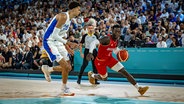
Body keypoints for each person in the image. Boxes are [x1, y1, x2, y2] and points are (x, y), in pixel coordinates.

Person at [86, 25, 149, 95]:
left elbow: (114, 49)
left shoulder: (116, 40)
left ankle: (139, 88)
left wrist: (120, 52)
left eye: (119, 32)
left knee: (124, 72)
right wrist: (90, 52)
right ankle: (92, 75)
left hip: (109, 59)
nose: (117, 33)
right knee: (104, 78)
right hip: (100, 61)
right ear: (112, 31)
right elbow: (94, 42)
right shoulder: (107, 39)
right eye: (116, 31)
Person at [41, 1, 81, 96]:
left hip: (58, 42)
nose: (79, 11)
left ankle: (48, 69)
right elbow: (54, 35)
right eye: (78, 9)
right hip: (50, 41)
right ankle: (64, 88)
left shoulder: (70, 20)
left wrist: (67, 47)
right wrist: (69, 43)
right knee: (65, 66)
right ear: (73, 9)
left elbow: (60, 36)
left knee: (69, 67)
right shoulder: (63, 17)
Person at [77, 18, 99, 85]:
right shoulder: (85, 36)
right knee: (84, 65)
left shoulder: (96, 35)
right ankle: (79, 78)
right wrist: (81, 53)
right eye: (89, 28)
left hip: (94, 51)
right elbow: (80, 44)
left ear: (93, 28)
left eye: (91, 28)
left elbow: (98, 45)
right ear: (87, 28)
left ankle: (95, 80)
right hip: (87, 51)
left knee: (95, 66)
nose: (90, 29)